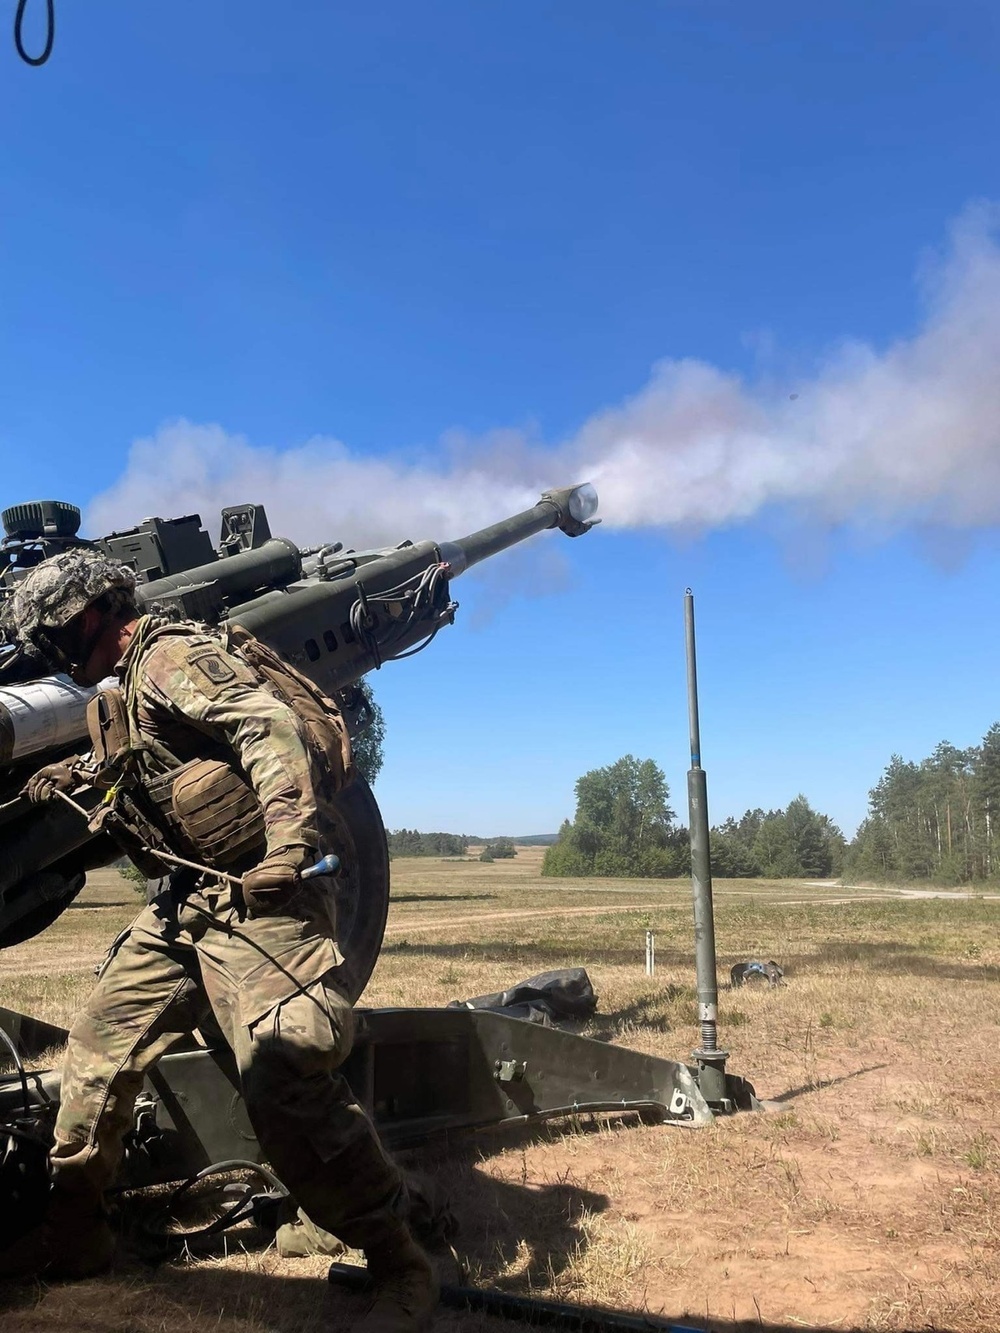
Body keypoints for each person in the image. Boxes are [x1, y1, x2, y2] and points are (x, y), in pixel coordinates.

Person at [0, 549, 437, 1333]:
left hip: (257, 896)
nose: (52, 652)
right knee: (94, 1065)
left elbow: (266, 727)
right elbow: (147, 771)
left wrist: (288, 844)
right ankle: (75, 1239)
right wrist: (65, 776)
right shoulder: (121, 692)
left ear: (92, 612)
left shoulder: (170, 657)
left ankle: (402, 1260)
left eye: (56, 634)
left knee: (286, 1084)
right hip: (183, 908)